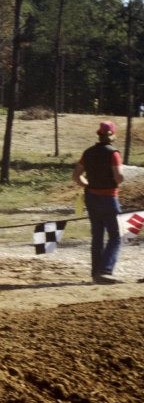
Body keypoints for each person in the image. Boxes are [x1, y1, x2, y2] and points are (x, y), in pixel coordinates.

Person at [72, 121, 124, 284]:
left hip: (91, 198)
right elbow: (118, 178)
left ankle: (96, 273)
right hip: (109, 197)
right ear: (112, 135)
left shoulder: (88, 152)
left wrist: (88, 184)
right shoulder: (113, 153)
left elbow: (76, 176)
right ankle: (106, 270)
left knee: (97, 236)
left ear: (98, 134)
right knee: (115, 236)